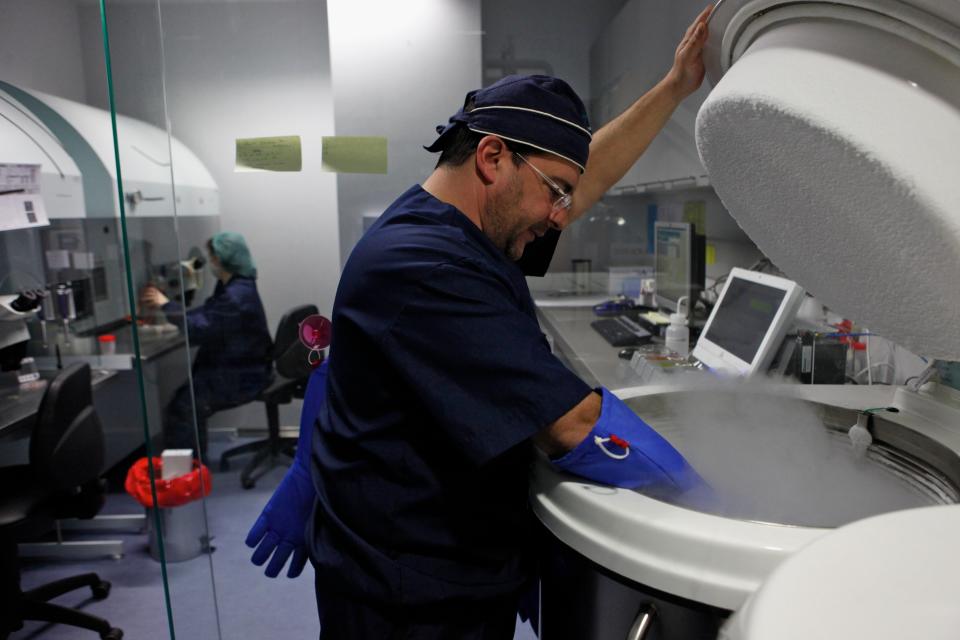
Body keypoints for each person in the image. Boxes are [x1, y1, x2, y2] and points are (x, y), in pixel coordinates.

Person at [251, 6, 713, 637]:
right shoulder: (426, 266)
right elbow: (575, 425)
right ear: (492, 156)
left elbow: (581, 174)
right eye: (554, 193)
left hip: (437, 560)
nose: (560, 215)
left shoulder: (460, 227)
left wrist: (673, 89)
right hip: (410, 593)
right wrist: (713, 503)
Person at [141, 231, 272, 460]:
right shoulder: (237, 286)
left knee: (183, 406)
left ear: (221, 260)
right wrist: (175, 316)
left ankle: (187, 472)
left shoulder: (235, 295)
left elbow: (200, 328)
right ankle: (194, 464)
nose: (210, 262)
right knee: (187, 401)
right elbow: (209, 314)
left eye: (212, 257)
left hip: (242, 376)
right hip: (245, 367)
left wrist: (166, 305)